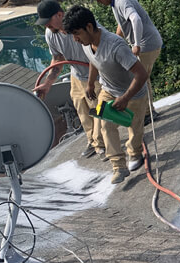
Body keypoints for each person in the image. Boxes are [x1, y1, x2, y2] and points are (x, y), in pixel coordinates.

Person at [63, 6, 149, 184]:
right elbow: (94, 62)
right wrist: (90, 85)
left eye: (77, 33)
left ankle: (135, 153)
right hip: (108, 90)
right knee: (104, 124)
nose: (75, 39)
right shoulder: (86, 44)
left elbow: (141, 74)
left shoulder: (115, 45)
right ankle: (118, 166)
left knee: (134, 129)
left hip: (134, 94)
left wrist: (125, 98)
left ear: (89, 27)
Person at [34, 0, 106, 160]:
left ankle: (101, 144)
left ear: (60, 15)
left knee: (99, 110)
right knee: (82, 109)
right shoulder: (50, 34)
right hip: (77, 74)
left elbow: (102, 50)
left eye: (48, 22)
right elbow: (58, 59)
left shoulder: (82, 25)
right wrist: (47, 84)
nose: (46, 26)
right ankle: (92, 141)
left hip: (97, 75)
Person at [94, 0, 162, 124]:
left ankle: (147, 113)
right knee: (143, 78)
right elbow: (122, 24)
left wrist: (136, 44)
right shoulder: (115, 4)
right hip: (151, 43)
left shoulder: (121, 2)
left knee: (138, 78)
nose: (98, 2)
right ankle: (148, 111)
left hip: (146, 45)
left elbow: (135, 19)